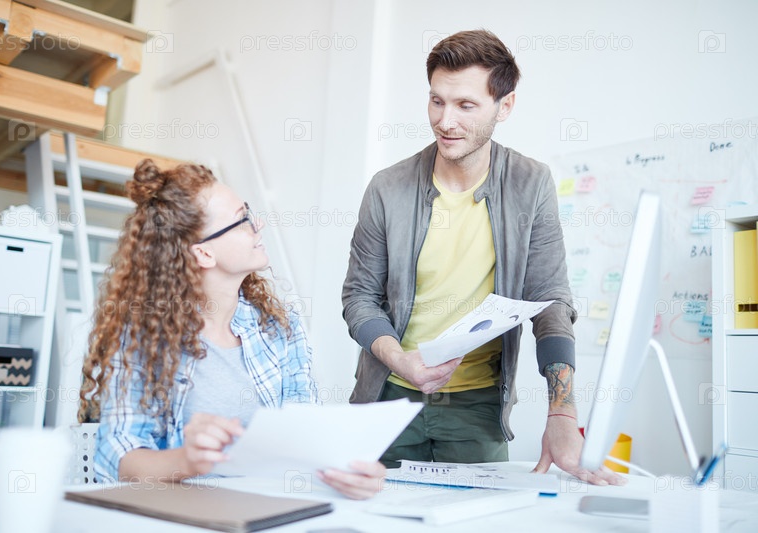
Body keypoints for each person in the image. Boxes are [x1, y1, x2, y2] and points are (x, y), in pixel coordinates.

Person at [342, 29, 622, 486]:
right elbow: (359, 298)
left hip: (477, 407)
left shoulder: (531, 183)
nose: (445, 121)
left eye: (465, 105)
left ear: (504, 106)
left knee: (479, 515)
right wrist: (399, 360)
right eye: (437, 101)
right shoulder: (387, 188)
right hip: (387, 399)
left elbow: (550, 300)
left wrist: (562, 412)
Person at [79, 159, 385, 499]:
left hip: (269, 507)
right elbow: (118, 457)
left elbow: (305, 436)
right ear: (204, 253)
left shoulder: (278, 327)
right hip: (179, 511)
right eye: (242, 220)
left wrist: (349, 470)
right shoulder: (144, 336)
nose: (258, 224)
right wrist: (187, 460)